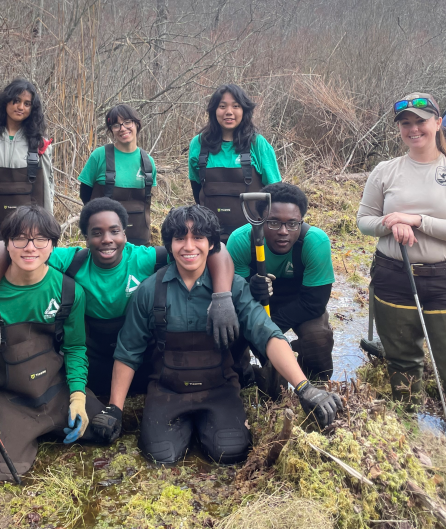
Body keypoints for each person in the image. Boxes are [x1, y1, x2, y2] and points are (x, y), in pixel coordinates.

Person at [91, 205, 342, 464]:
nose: (189, 246)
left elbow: (269, 336)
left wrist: (305, 388)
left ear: (212, 243)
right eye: (180, 238)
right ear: (170, 244)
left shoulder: (234, 288)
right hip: (167, 390)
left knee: (230, 452)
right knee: (160, 456)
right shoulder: (149, 291)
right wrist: (115, 408)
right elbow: (128, 351)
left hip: (219, 388)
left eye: (198, 237)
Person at [0, 198, 237, 398]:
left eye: (114, 231)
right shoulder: (73, 260)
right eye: (96, 233)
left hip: (137, 354)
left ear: (125, 232)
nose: (106, 240)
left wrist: (223, 297)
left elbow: (216, 249)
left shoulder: (144, 258)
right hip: (93, 356)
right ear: (85, 237)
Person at [0, 205, 103, 481]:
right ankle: (21, 435)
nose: (30, 248)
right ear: (7, 244)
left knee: (105, 428)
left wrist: (77, 394)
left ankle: (50, 425)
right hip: (8, 398)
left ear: (53, 245)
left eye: (41, 239)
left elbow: (75, 348)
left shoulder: (68, 291)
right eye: (20, 238)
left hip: (54, 390)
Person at [357, 93, 446, 405]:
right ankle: (409, 427)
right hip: (392, 275)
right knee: (403, 363)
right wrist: (391, 224)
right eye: (405, 123)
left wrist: (417, 220)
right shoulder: (385, 170)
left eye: (420, 121)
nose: (413, 129)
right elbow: (364, 221)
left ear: (437, 122)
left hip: (442, 279)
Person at [227, 182, 335, 386]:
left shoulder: (315, 242)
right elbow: (234, 297)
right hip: (256, 305)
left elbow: (315, 302)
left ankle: (315, 384)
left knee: (318, 337)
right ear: (259, 221)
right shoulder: (241, 240)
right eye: (274, 223)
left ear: (301, 221)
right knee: (231, 334)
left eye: (292, 224)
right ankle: (241, 378)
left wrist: (269, 332)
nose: (284, 231)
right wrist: (250, 288)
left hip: (301, 304)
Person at [0, 78, 54, 254]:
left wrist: (48, 228)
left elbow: (47, 190)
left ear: (32, 109)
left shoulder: (41, 145)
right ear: (5, 102)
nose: (20, 107)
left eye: (27, 103)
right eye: (16, 101)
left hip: (31, 232)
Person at [188, 84, 281, 242]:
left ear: (244, 110)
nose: (228, 112)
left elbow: (277, 193)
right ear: (213, 111)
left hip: (252, 238)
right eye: (222, 106)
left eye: (236, 106)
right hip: (209, 238)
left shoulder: (257, 144)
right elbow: (197, 188)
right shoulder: (198, 144)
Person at [79, 105, 156, 246]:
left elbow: (147, 201)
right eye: (116, 125)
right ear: (111, 130)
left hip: (140, 239)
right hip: (104, 242)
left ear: (136, 124)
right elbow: (85, 195)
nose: (122, 128)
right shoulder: (99, 156)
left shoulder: (148, 162)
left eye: (127, 122)